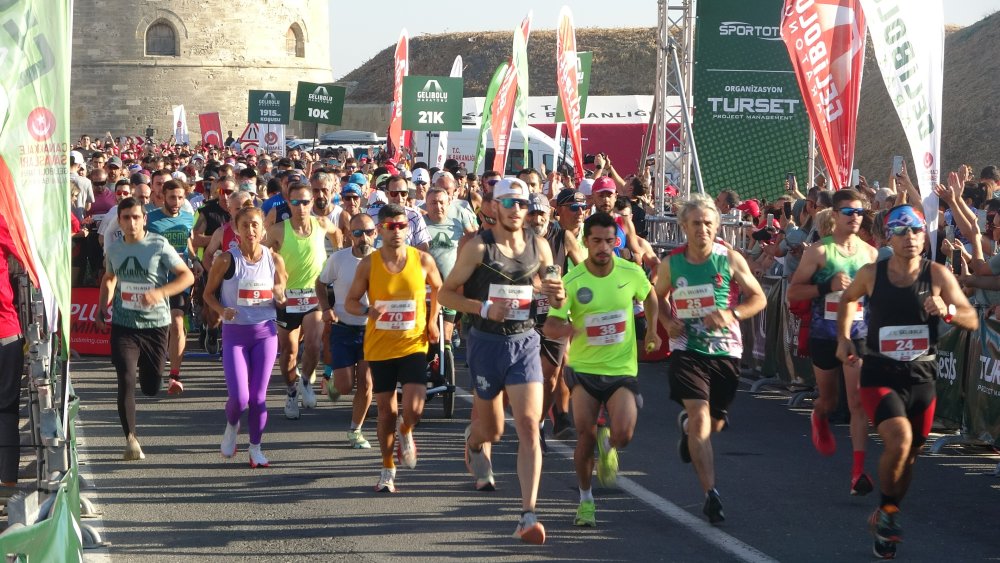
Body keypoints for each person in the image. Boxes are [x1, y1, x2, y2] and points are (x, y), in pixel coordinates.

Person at [834, 205, 977, 559]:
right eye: (901, 231)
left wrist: (946, 311)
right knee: (899, 440)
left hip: (921, 376)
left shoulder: (938, 274)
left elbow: (971, 318)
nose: (910, 237)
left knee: (910, 456)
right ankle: (887, 512)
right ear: (888, 238)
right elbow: (848, 300)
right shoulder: (872, 273)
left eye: (915, 230)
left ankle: (887, 513)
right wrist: (844, 338)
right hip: (880, 373)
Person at [439, 178, 565, 544]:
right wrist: (481, 307)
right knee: (492, 429)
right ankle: (475, 442)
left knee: (528, 426)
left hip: (524, 340)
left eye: (521, 203)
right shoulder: (479, 247)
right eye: (507, 202)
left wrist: (559, 292)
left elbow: (555, 294)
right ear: (493, 207)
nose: (515, 209)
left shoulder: (540, 246)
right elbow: (446, 294)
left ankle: (528, 514)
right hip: (485, 343)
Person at [653, 194, 766, 524]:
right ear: (683, 226)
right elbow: (655, 297)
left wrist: (731, 313)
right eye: (696, 223)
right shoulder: (672, 263)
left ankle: (688, 429)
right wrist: (667, 321)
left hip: (725, 352)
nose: (702, 229)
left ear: (717, 226)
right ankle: (711, 494)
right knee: (702, 420)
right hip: (687, 350)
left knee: (713, 423)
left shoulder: (729, 258)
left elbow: (758, 298)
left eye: (708, 223)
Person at [543, 212, 660, 527]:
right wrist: (568, 331)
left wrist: (651, 330)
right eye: (596, 241)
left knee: (624, 433)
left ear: (616, 242)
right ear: (586, 242)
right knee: (584, 435)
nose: (603, 248)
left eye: (610, 241)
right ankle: (585, 501)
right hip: (584, 371)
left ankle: (609, 444)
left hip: (621, 369)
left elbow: (650, 296)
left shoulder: (630, 272)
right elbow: (551, 322)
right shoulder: (572, 281)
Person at [344, 203, 442, 493]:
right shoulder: (368, 264)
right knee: (386, 413)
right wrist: (366, 310)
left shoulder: (422, 260)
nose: (397, 231)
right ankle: (387, 469)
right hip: (380, 347)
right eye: (391, 226)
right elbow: (350, 301)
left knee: (412, 408)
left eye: (402, 226)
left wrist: (433, 320)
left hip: (413, 343)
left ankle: (406, 430)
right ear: (381, 229)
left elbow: (439, 288)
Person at [788, 189, 879, 495]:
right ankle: (819, 413)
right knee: (829, 400)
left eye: (860, 213)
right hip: (824, 335)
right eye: (849, 212)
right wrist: (825, 286)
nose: (855, 218)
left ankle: (857, 473)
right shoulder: (820, 252)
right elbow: (793, 293)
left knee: (857, 403)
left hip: (857, 335)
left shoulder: (870, 254)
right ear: (835, 216)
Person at [97, 198, 195, 460]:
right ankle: (131, 439)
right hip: (124, 325)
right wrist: (101, 306)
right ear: (119, 220)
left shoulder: (158, 244)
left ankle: (153, 378)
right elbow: (109, 278)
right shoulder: (115, 249)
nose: (131, 222)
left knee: (151, 386)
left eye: (136, 217)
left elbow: (187, 276)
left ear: (144, 219)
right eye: (126, 217)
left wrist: (160, 292)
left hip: (155, 326)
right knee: (126, 379)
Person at [202, 203, 287, 468]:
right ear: (236, 231)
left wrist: (280, 296)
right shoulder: (227, 259)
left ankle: (256, 448)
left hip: (265, 333)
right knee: (239, 398)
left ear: (263, 230)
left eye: (255, 224)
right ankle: (231, 426)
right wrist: (221, 310)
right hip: (235, 335)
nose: (250, 229)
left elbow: (282, 290)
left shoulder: (274, 259)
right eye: (244, 225)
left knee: (259, 397)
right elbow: (207, 294)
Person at [264, 181, 336, 420]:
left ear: (312, 202)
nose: (301, 207)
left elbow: (338, 236)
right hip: (287, 299)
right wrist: (274, 286)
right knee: (289, 352)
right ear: (288, 203)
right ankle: (292, 391)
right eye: (295, 202)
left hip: (314, 295)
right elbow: (260, 256)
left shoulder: (322, 223)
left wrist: (337, 261)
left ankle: (305, 381)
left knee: (315, 343)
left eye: (306, 202)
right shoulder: (278, 230)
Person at [316, 213, 377, 449]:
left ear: (376, 233)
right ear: (350, 235)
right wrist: (326, 308)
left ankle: (355, 430)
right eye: (358, 233)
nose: (364, 238)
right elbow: (320, 283)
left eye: (369, 232)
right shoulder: (339, 259)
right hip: (343, 328)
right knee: (344, 387)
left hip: (371, 330)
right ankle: (333, 383)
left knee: (367, 383)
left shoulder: (383, 260)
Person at [146, 180, 200, 394]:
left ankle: (174, 376)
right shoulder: (150, 219)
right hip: (155, 280)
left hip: (179, 279)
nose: (176, 202)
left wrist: (195, 260)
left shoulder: (187, 218)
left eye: (180, 197)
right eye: (172, 197)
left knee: (177, 322)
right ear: (162, 196)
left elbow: (188, 244)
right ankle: (153, 367)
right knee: (158, 328)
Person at [0, 216, 24, 489]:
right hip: (5, 332)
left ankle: (8, 482)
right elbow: (33, 258)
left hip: (4, 331)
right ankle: (7, 483)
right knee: (5, 410)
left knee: (5, 409)